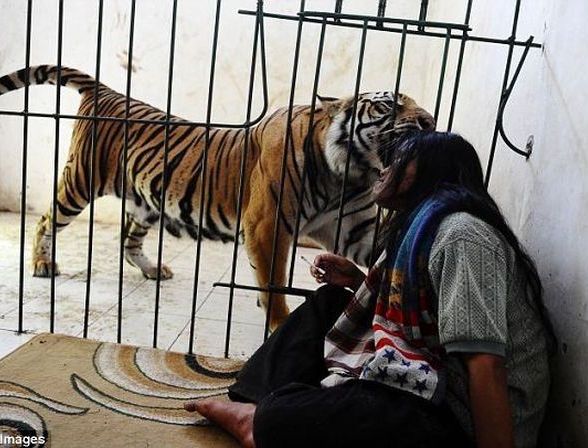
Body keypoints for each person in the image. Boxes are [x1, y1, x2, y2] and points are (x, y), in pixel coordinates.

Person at [185, 131, 556, 448]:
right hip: (425, 379)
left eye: (399, 162)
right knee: (330, 302)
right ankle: (254, 403)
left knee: (293, 415)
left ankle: (263, 421)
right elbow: (419, 320)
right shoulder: (422, 225)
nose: (384, 170)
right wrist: (360, 284)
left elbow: (485, 365)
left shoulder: (462, 237)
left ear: (428, 174)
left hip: (455, 417)